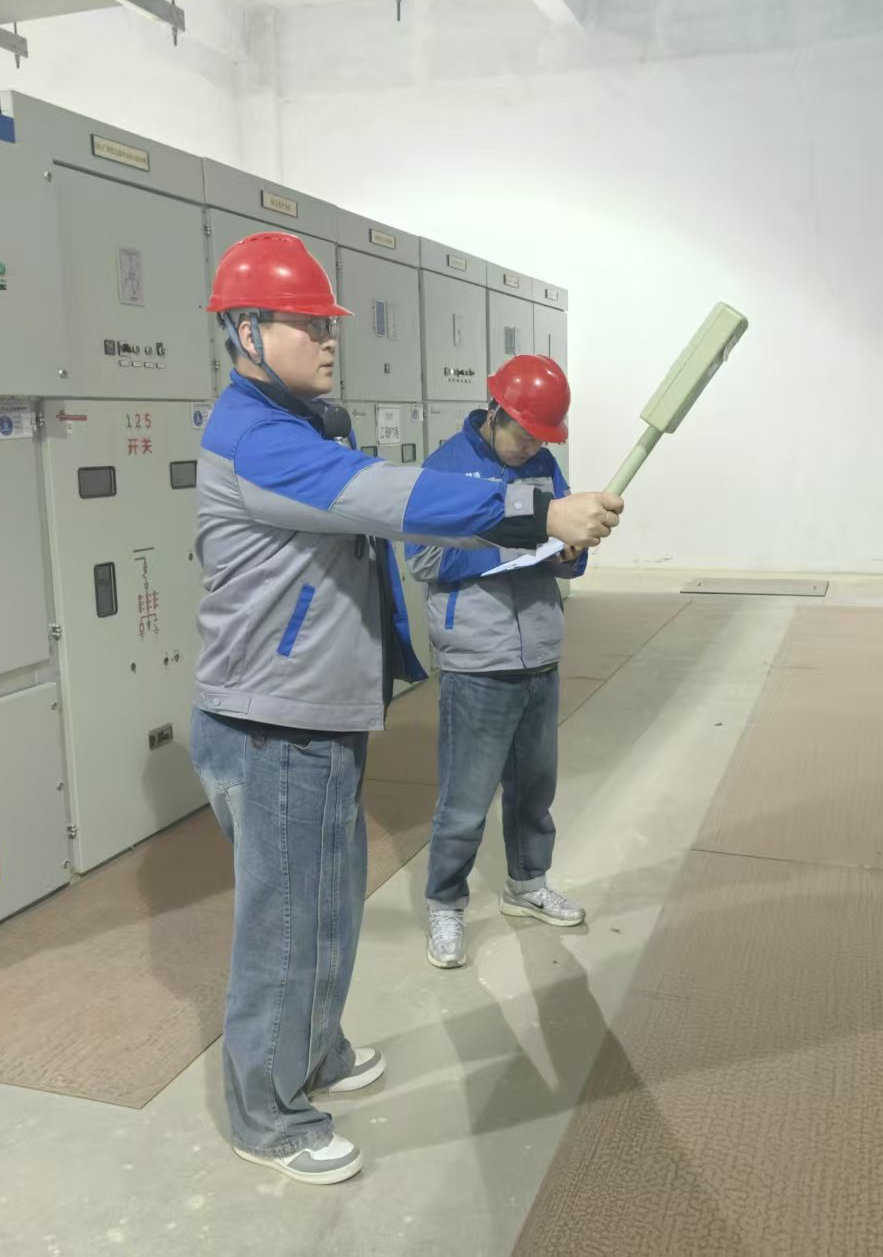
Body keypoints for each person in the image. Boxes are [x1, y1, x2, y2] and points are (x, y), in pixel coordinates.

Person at [190, 232, 623, 1187]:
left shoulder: (298, 423)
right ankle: (268, 1112)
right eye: (307, 324)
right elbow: (387, 496)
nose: (328, 339)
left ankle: (313, 1051)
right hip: (274, 722)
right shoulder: (258, 438)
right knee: (286, 923)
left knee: (327, 902)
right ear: (246, 331)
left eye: (328, 324)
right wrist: (536, 513)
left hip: (316, 713)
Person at [404, 355, 588, 971]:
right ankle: (445, 903)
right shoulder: (445, 470)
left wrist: (567, 553)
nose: (533, 447)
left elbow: (567, 548)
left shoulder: (542, 466)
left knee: (535, 790)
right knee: (464, 801)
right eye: (525, 435)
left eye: (543, 439)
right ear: (495, 413)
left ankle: (527, 884)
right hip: (477, 661)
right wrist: (516, 543)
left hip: (539, 652)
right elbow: (425, 561)